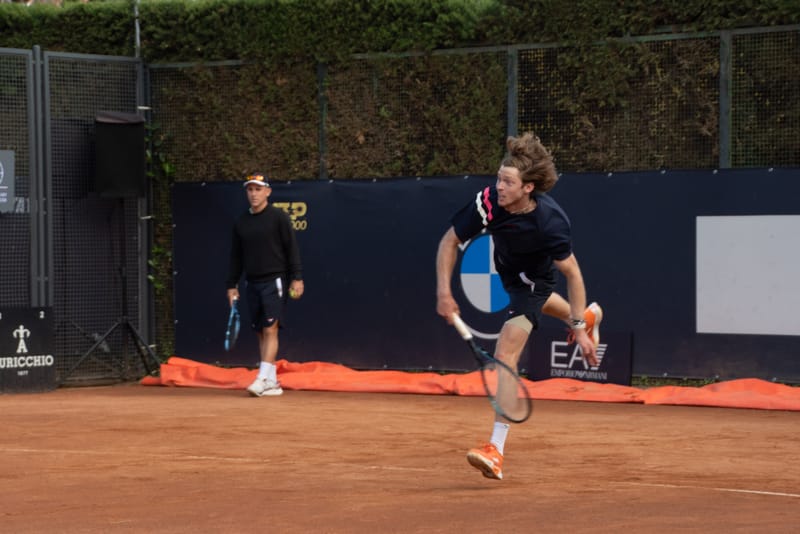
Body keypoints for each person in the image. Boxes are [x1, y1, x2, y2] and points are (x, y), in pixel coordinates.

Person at [435, 133, 601, 480]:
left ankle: (496, 448)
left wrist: (579, 334)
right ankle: (589, 314)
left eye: (507, 182)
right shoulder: (489, 202)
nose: (498, 186)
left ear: (528, 188)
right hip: (509, 273)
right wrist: (444, 292)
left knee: (506, 352)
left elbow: (573, 273)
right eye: (498, 178)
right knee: (546, 306)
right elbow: (450, 241)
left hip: (536, 282)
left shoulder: (550, 222)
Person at [226, 172, 304, 397]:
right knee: (261, 332)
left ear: (268, 192)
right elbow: (236, 257)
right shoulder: (241, 222)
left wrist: (297, 277)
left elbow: (292, 249)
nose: (253, 194)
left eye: (258, 189)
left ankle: (261, 378)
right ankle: (272, 382)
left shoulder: (278, 217)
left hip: (275, 281)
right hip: (252, 283)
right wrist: (232, 284)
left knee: (271, 329)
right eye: (250, 189)